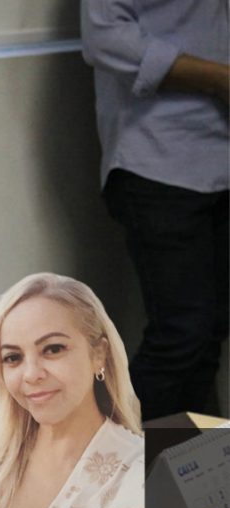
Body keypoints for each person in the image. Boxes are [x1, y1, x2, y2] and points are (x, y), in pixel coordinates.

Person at [81, 0, 229, 420]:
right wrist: (219, 79)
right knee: (181, 335)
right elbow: (104, 35)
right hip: (157, 156)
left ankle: (186, 460)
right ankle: (112, 453)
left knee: (209, 334)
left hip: (220, 156)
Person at [0, 273, 144, 508]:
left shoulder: (142, 476)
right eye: (13, 357)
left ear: (99, 354)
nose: (31, 374)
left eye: (53, 349)